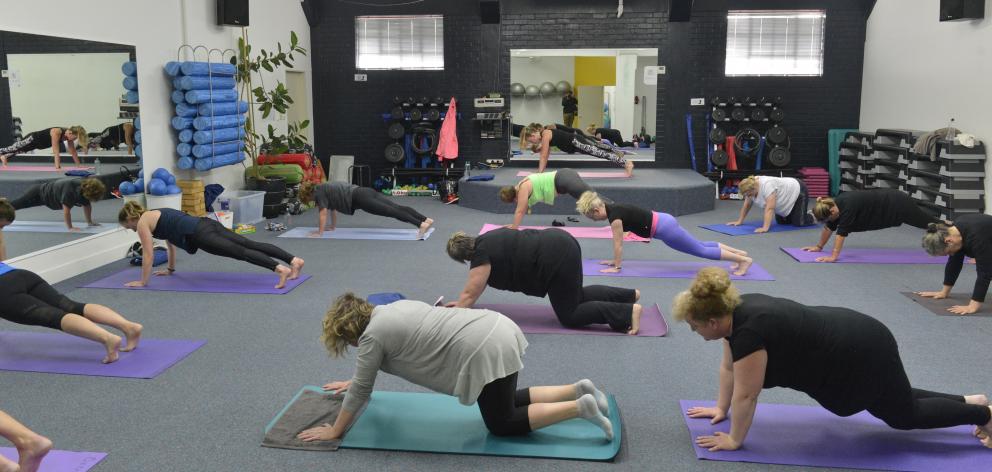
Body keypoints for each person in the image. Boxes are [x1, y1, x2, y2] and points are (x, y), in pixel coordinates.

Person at [673, 267, 992, 452]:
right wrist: (720, 408)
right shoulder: (736, 312)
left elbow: (748, 393)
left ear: (713, 321)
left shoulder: (747, 333)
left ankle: (983, 414)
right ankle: (970, 400)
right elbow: (729, 367)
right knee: (890, 395)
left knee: (901, 415)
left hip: (858, 351)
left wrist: (734, 439)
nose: (694, 330)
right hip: (856, 338)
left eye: (694, 325)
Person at [296, 294, 614, 442]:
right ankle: (579, 388)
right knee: (504, 399)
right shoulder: (389, 309)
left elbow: (365, 387)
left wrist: (335, 431)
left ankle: (579, 407)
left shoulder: (371, 338)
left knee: (500, 422)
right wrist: (353, 381)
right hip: (495, 326)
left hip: (482, 347)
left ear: (350, 332)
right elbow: (365, 376)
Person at [445, 228, 644, 334]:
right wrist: (463, 304)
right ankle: (628, 296)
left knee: (570, 315)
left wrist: (460, 308)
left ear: (463, 256)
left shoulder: (480, 255)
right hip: (562, 241)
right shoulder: (486, 238)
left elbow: (472, 291)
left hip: (554, 257)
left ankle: (627, 312)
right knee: (577, 296)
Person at [117, 201, 305, 289]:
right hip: (206, 223)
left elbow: (148, 255)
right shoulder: (155, 213)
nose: (132, 229)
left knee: (241, 252)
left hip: (200, 234)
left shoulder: (142, 222)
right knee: (249, 243)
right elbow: (170, 244)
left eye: (129, 226)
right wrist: (171, 269)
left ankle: (280, 269)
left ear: (131, 218)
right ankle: (294, 260)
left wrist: (143, 281)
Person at [576, 192, 753, 276]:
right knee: (700, 244)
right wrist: (614, 260)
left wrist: (617, 266)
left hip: (664, 229)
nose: (593, 219)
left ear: (597, 209)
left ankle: (743, 261)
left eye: (592, 216)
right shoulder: (613, 208)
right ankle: (739, 254)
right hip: (663, 221)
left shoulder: (614, 217)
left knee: (701, 251)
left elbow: (618, 243)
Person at [0, 261, 143, 363]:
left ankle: (108, 338)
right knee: (72, 306)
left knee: (53, 317)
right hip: (19, 274)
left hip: (3, 290)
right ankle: (129, 327)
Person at [802, 189, 942, 262]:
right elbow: (829, 227)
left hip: (896, 203)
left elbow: (841, 234)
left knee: (925, 223)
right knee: (926, 222)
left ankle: (952, 230)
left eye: (830, 217)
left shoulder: (848, 207)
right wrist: (819, 247)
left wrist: (833, 256)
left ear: (832, 210)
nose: (831, 220)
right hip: (887, 203)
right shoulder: (834, 206)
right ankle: (946, 225)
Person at [298, 181, 434, 240]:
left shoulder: (319, 193)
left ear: (308, 195)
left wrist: (319, 233)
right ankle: (425, 219)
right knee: (395, 207)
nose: (311, 202)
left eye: (308, 200)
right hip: (364, 191)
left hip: (360, 198)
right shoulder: (323, 187)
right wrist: (332, 227)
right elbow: (332, 209)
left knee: (391, 211)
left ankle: (420, 225)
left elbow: (323, 213)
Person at [917, 216, 992, 315]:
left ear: (949, 241)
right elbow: (954, 262)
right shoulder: (954, 233)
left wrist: (973, 306)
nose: (950, 254)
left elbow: (985, 273)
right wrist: (944, 292)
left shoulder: (976, 238)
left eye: (948, 252)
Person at [519, 123, 634, 176]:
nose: (532, 143)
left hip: (576, 141)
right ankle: (616, 152)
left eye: (530, 141)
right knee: (598, 146)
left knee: (599, 152)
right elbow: (546, 153)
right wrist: (541, 170)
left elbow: (544, 156)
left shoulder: (545, 134)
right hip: (575, 143)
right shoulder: (545, 135)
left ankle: (626, 163)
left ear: (533, 136)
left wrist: (540, 172)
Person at [498, 168, 593, 229]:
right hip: (563, 180)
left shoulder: (523, 188)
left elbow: (520, 211)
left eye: (513, 201)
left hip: (563, 179)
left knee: (593, 200)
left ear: (513, 198)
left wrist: (514, 227)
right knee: (591, 199)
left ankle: (607, 212)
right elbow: (523, 207)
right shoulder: (520, 187)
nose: (516, 202)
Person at [10, 177, 106, 231]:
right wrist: (70, 227)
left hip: (47, 196)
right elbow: (66, 211)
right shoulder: (70, 190)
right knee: (15, 205)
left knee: (16, 205)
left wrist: (90, 222)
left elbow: (87, 205)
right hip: (38, 194)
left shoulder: (84, 187)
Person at [727, 175, 814, 232]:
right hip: (785, 197)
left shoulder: (767, 186)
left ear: (753, 189)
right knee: (782, 222)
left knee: (799, 222)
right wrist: (740, 221)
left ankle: (814, 214)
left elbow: (770, 208)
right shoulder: (750, 187)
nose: (748, 197)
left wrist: (765, 228)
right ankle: (797, 212)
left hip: (798, 190)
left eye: (749, 194)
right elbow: (747, 205)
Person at [0, 126, 87, 169]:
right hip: (32, 139)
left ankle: (5, 157)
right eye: (75, 138)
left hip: (39, 145)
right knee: (12, 148)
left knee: (21, 151)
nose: (74, 140)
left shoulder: (68, 136)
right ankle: (3, 154)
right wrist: (57, 167)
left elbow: (73, 151)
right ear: (71, 132)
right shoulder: (57, 131)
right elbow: (56, 150)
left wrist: (78, 165)